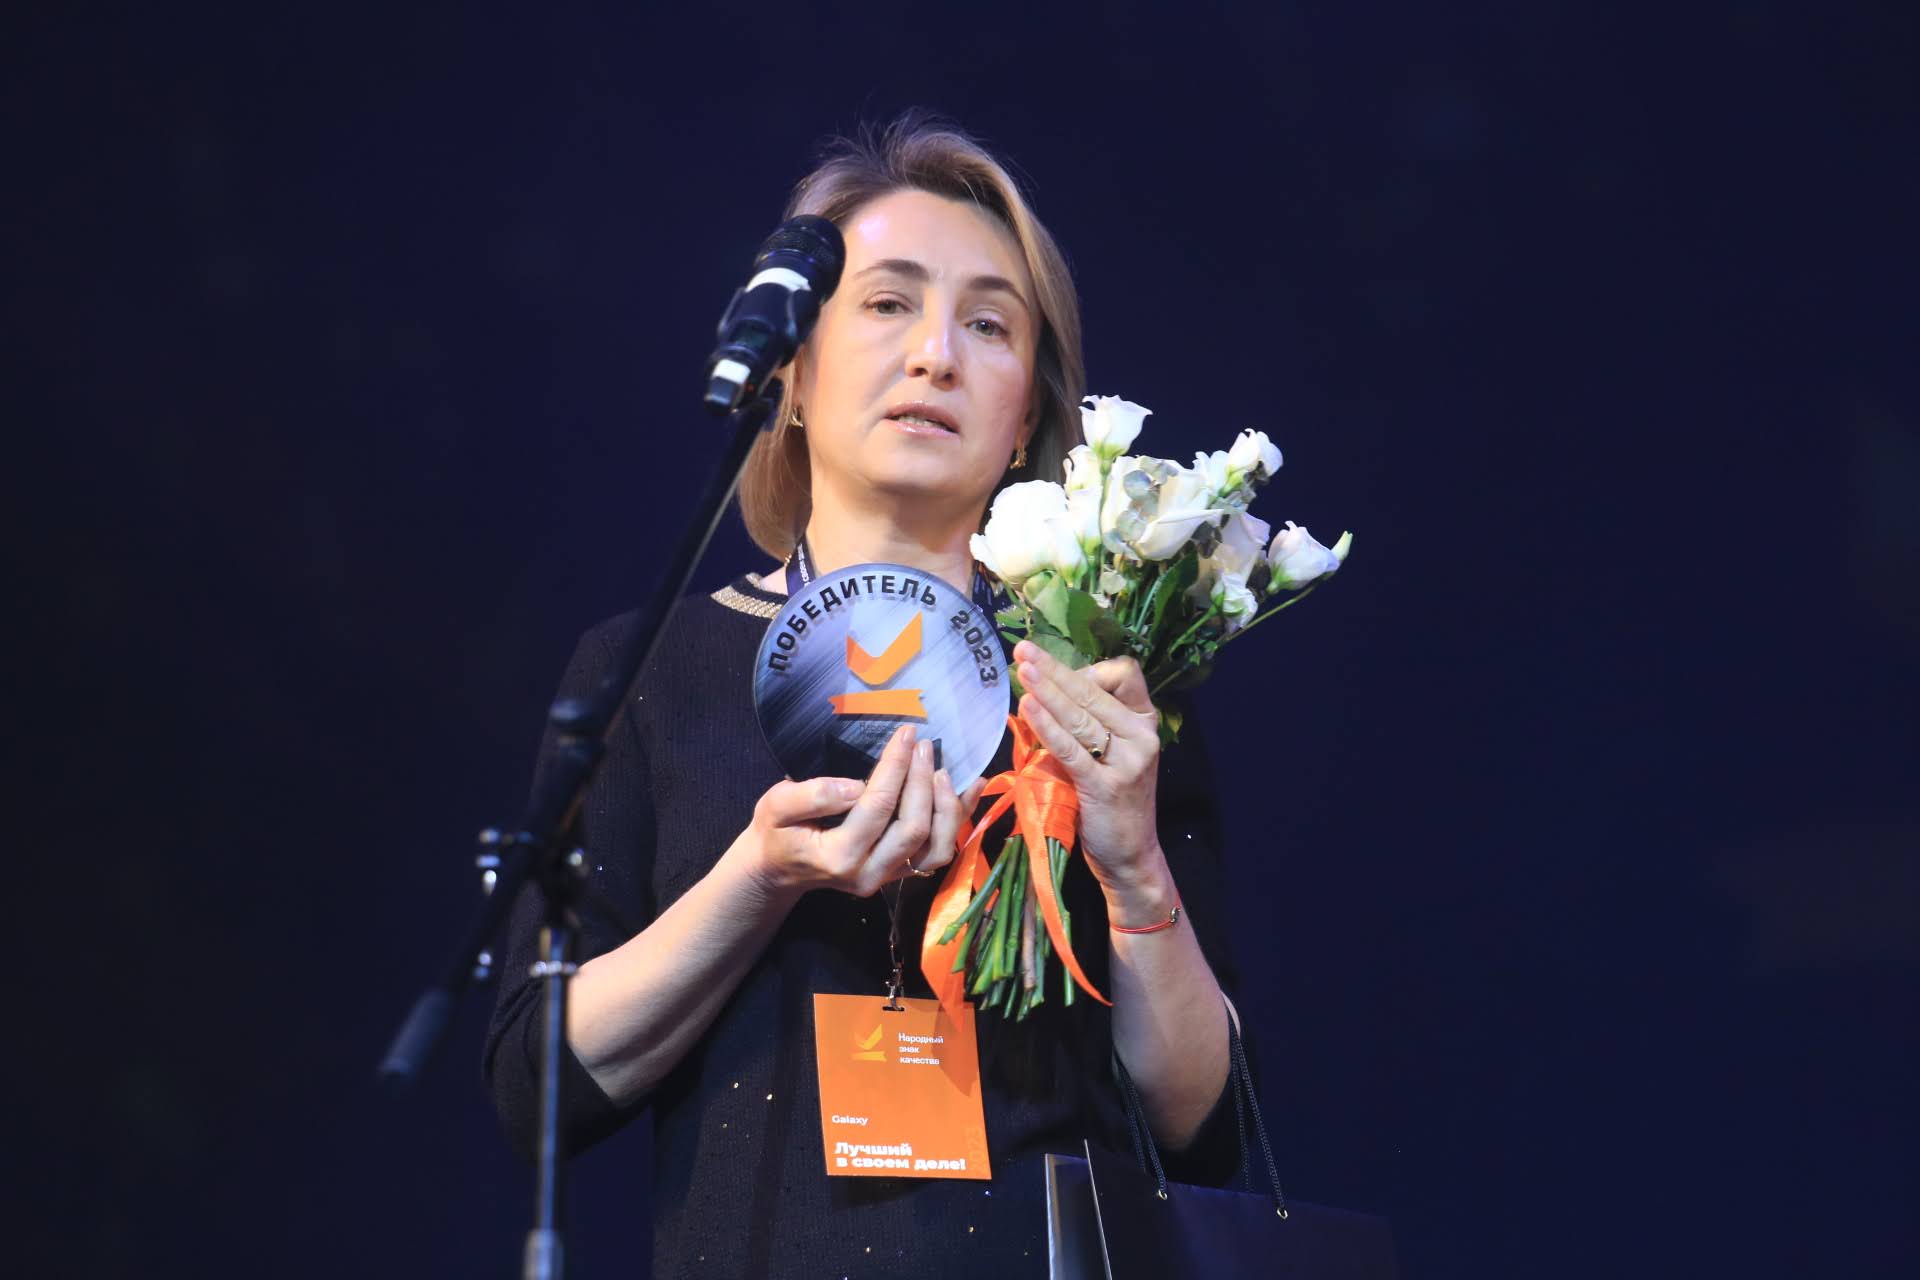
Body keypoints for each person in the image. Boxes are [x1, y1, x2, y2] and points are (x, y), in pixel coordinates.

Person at [486, 113, 1247, 1278]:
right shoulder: (644, 669)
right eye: (889, 303)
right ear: (791, 375)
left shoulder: (1100, 682)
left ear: (1026, 420)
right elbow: (538, 1084)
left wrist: (1135, 871)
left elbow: (1204, 1123)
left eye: (988, 324)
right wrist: (758, 876)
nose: (936, 354)